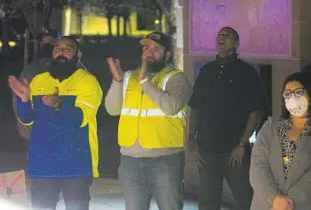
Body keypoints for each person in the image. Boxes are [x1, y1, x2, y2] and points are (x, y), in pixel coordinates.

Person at [8, 36, 103, 210]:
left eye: (68, 49)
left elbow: (80, 119)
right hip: (42, 166)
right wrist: (23, 99)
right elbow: (27, 119)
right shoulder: (38, 81)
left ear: (78, 55)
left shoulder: (87, 82)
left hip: (76, 167)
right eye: (58, 48)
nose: (61, 52)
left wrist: (59, 104)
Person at [104, 31, 191, 210]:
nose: (149, 53)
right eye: (146, 48)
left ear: (167, 55)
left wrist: (146, 83)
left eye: (156, 49)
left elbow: (171, 106)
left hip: (164, 161)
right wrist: (117, 82)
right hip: (130, 161)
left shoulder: (176, 78)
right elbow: (112, 109)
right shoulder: (129, 77)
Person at [188, 27, 267, 210]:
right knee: (208, 202)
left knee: (246, 199)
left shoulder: (246, 72)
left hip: (234, 151)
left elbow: (256, 110)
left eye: (227, 35)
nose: (221, 37)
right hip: (207, 151)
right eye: (219, 35)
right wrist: (191, 139)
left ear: (237, 43)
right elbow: (196, 107)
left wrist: (242, 144)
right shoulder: (207, 71)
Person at [250, 72, 311, 210]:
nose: (293, 98)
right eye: (287, 94)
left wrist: (285, 203)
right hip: (266, 205)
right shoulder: (271, 128)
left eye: (298, 92)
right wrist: (274, 198)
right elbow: (258, 167)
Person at [12, 29, 57, 140]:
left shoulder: (66, 68)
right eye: (43, 43)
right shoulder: (31, 69)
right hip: (36, 126)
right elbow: (18, 98)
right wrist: (22, 124)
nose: (46, 46)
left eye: (50, 42)